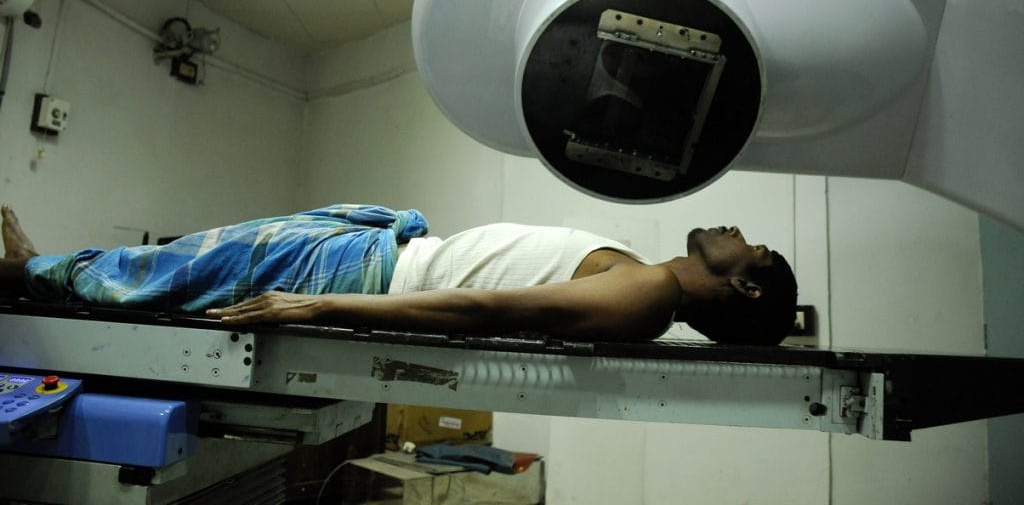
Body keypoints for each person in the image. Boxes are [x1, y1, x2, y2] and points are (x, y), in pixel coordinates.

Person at [1, 202, 796, 345]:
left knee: (169, 273)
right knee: (181, 260)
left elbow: (493, 311)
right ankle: (34, 267)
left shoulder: (649, 294)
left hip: (358, 272)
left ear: (745, 287)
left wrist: (322, 309)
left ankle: (25, 271)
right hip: (379, 245)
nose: (736, 231)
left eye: (750, 248)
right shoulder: (644, 281)